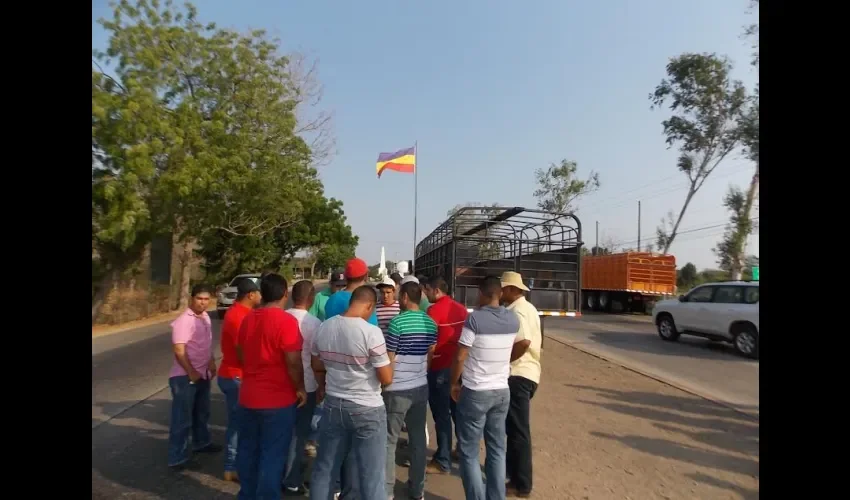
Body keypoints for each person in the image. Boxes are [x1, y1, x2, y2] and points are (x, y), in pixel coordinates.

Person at [309, 286, 393, 500]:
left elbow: (316, 364)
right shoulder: (370, 332)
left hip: (334, 404)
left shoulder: (324, 327)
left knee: (325, 469)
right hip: (367, 408)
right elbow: (386, 378)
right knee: (371, 475)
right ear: (369, 306)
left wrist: (322, 386)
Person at [235, 274, 307, 500]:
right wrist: (300, 388)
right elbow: (293, 361)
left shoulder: (248, 319)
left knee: (248, 451)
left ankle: (247, 494)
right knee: (273, 455)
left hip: (248, 396)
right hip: (277, 400)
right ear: (285, 294)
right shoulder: (286, 321)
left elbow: (240, 352)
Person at [450, 275, 521, 500]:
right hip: (502, 391)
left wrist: (454, 382)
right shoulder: (513, 320)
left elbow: (461, 354)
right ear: (500, 293)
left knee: (469, 452)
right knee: (497, 449)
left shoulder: (474, 320)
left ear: (481, 293)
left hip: (476, 391)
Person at [383, 281, 438, 499]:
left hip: (397, 389)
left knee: (389, 441)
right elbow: (431, 354)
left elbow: (390, 358)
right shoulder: (430, 323)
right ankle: (417, 490)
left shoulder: (397, 323)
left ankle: (387, 492)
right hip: (420, 387)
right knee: (417, 441)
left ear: (405, 297)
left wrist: (385, 384)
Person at [167, 284, 222, 470]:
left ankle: (202, 443)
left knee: (202, 413)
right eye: (199, 299)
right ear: (192, 298)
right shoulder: (184, 321)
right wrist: (190, 371)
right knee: (182, 419)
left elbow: (206, 344)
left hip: (203, 374)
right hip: (184, 377)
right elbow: (179, 350)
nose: (203, 303)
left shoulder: (205, 317)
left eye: (206, 299)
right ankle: (177, 457)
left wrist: (212, 362)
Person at [501, 272, 542, 499]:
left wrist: (505, 360)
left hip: (519, 374)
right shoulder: (528, 308)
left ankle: (521, 483)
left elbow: (524, 341)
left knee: (518, 431)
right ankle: (513, 475)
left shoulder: (518, 311)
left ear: (510, 290)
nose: (500, 292)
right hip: (527, 373)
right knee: (514, 429)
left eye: (503, 288)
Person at [217, 278, 262, 481]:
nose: (261, 296)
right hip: (236, 375)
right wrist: (253, 370)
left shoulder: (243, 313)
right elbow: (240, 349)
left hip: (235, 374)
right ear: (251, 295)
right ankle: (231, 466)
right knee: (238, 424)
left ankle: (236, 463)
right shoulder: (238, 316)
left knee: (242, 422)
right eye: (258, 292)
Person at [424, 276, 468, 474]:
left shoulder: (433, 311)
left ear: (436, 290)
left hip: (439, 366)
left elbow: (429, 344)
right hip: (458, 367)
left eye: (427, 290)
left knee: (441, 414)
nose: (426, 294)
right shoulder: (461, 309)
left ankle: (443, 459)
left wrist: (425, 367)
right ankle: (463, 449)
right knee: (457, 410)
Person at [282, 280, 322, 496]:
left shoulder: (282, 318)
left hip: (281, 384)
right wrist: (322, 385)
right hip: (306, 384)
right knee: (299, 435)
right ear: (312, 298)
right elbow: (317, 360)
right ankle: (292, 480)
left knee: (281, 433)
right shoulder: (314, 323)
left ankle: (277, 472)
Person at [324, 258, 378, 326]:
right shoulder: (365, 302)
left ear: (345, 277)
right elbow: (372, 329)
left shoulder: (332, 299)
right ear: (366, 276)